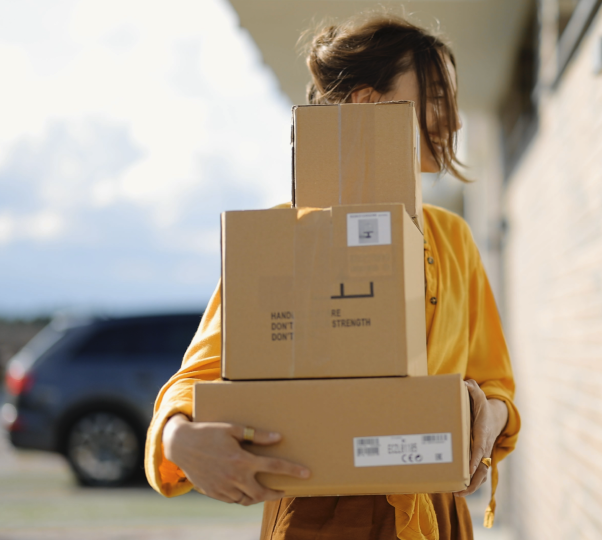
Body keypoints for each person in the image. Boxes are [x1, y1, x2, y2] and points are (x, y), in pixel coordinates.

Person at [144, 13, 520, 540]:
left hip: (433, 517)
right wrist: (178, 440)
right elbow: (192, 382)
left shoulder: (453, 238)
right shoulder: (283, 238)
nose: (454, 123)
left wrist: (487, 423)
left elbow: (496, 382)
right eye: (438, 101)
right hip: (317, 518)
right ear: (368, 104)